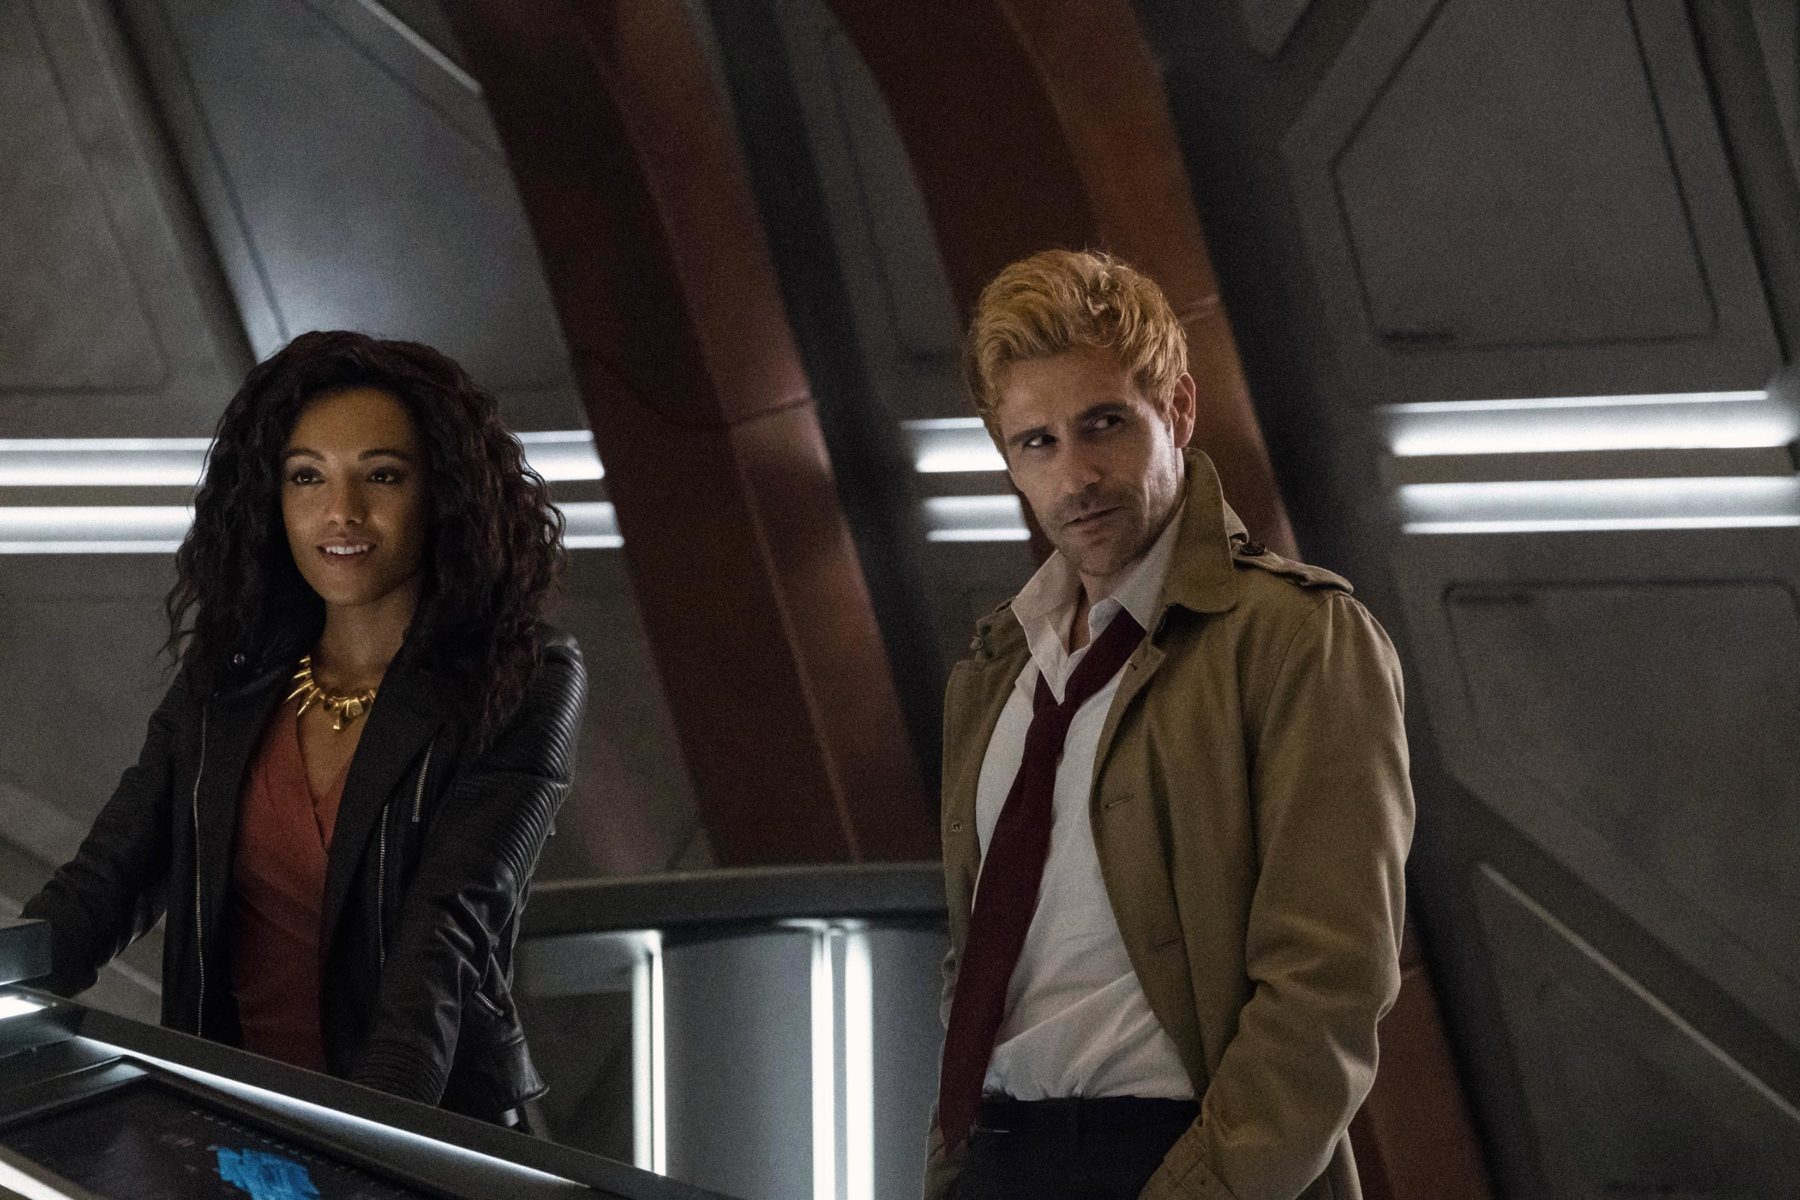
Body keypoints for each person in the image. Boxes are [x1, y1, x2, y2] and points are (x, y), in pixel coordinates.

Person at [925, 250, 1413, 1200]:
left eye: (1104, 424)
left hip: (1181, 1157)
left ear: (1179, 411)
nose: (1077, 475)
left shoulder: (1296, 638)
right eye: (1037, 442)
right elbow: (974, 964)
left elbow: (1328, 985)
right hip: (1001, 1153)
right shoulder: (995, 669)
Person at [23, 331, 587, 1127]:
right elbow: (102, 885)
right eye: (306, 476)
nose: (341, 511)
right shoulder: (232, 672)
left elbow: (446, 939)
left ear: (444, 492)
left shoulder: (527, 677)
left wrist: (365, 1144)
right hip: (225, 1124)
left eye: (381, 475)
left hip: (418, 1126)